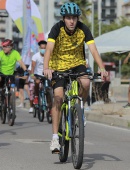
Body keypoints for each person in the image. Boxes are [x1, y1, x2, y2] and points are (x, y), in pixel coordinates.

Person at [43, 2, 108, 153]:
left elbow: (93, 50)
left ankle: (80, 109)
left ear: (78, 18)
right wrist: (46, 67)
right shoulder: (56, 28)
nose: (72, 21)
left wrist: (102, 68)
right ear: (63, 18)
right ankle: (54, 138)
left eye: (74, 18)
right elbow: (49, 49)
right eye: (68, 18)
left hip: (77, 63)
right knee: (58, 97)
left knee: (86, 82)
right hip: (58, 65)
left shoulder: (83, 29)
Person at [30, 40, 47, 106]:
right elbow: (33, 66)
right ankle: (36, 96)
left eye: (44, 48)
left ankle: (50, 104)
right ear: (39, 48)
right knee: (37, 82)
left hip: (46, 74)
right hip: (38, 74)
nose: (43, 50)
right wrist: (32, 75)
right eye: (42, 48)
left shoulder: (49, 55)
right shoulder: (35, 56)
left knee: (49, 89)